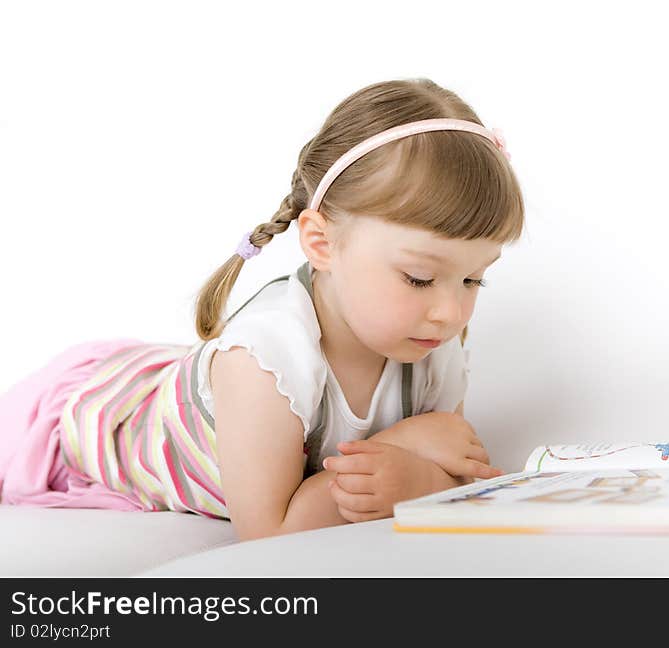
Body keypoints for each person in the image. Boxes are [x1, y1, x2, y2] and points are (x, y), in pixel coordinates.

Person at [0, 77, 525, 540]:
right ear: (320, 244)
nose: (451, 311)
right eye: (420, 278)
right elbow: (269, 530)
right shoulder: (263, 359)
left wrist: (423, 476)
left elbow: (460, 471)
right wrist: (404, 455)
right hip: (96, 417)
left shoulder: (433, 342)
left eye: (474, 278)